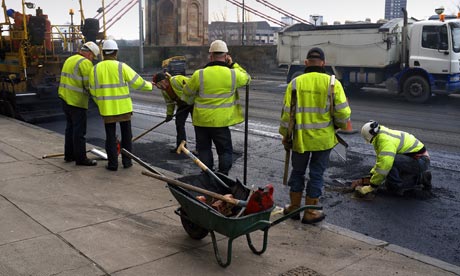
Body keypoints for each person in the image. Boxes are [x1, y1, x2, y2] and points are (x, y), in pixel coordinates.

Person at [280, 47, 351, 224]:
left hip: (300, 140)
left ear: (306, 63)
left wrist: (285, 136)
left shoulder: (295, 83)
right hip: (323, 140)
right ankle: (310, 211)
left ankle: (294, 208)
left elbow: (286, 114)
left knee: (297, 172)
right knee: (316, 174)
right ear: (323, 63)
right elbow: (343, 114)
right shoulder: (333, 83)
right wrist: (339, 126)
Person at [183, 40, 251, 175]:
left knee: (204, 149)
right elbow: (247, 78)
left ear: (211, 56)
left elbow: (186, 96)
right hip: (221, 122)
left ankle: (207, 175)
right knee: (225, 150)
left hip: (201, 121)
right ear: (226, 56)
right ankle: (223, 175)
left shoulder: (199, 74)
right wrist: (233, 64)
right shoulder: (233, 74)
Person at [89, 39, 153, 171]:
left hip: (107, 109)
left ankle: (112, 164)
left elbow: (93, 91)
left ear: (103, 53)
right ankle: (127, 162)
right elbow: (137, 82)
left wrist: (100, 103)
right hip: (124, 108)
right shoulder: (121, 66)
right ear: (116, 52)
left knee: (110, 137)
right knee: (126, 136)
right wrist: (150, 86)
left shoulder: (95, 69)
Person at [355, 120, 432, 196]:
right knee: (389, 168)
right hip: (412, 158)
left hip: (421, 160)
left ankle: (417, 180)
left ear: (372, 136)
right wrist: (372, 174)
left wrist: (372, 186)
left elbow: (384, 165)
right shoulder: (381, 134)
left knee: (390, 168)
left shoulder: (385, 141)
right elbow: (381, 159)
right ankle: (415, 177)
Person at [58, 41, 100, 166]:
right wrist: (99, 101)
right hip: (76, 101)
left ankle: (69, 155)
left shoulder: (70, 59)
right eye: (93, 56)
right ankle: (81, 159)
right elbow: (90, 86)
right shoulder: (85, 63)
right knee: (79, 131)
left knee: (70, 128)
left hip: (64, 99)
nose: (92, 59)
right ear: (89, 53)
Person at [152, 72, 193, 153]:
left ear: (163, 81)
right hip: (182, 105)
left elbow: (193, 87)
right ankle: (181, 146)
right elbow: (170, 103)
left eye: (158, 85)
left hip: (193, 103)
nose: (158, 87)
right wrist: (169, 115)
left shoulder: (177, 80)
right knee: (179, 123)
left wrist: (193, 101)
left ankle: (200, 149)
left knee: (198, 125)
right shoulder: (164, 91)